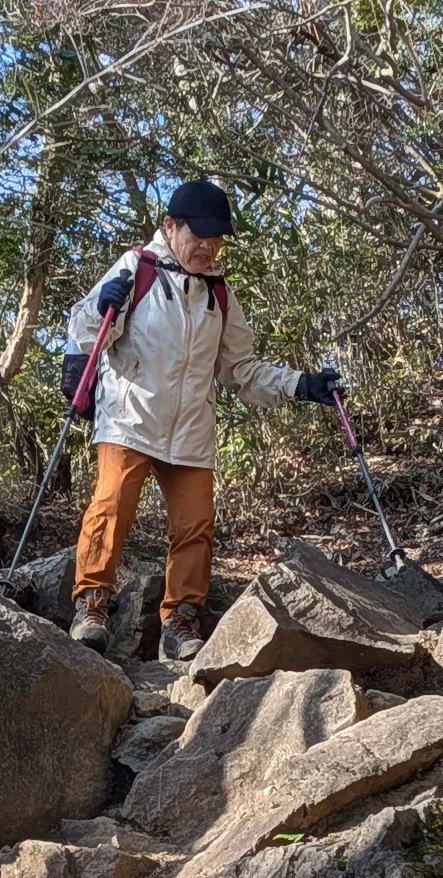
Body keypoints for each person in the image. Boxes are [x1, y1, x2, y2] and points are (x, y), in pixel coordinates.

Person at [62, 179, 344, 661]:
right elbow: (88, 331)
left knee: (195, 526)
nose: (208, 248)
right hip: (129, 418)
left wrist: (301, 384)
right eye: (199, 236)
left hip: (191, 429)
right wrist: (100, 303)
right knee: (110, 507)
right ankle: (91, 606)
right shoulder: (136, 268)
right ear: (170, 226)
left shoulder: (219, 293)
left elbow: (241, 370)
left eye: (216, 240)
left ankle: (180, 621)